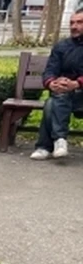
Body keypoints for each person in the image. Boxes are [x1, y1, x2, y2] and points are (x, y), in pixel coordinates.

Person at [30, 9, 83, 160]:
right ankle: (59, 142)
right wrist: (52, 83)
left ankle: (45, 146)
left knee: (52, 102)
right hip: (65, 93)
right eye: (72, 23)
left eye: (79, 22)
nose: (74, 26)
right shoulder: (61, 47)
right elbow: (50, 70)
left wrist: (77, 83)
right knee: (54, 100)